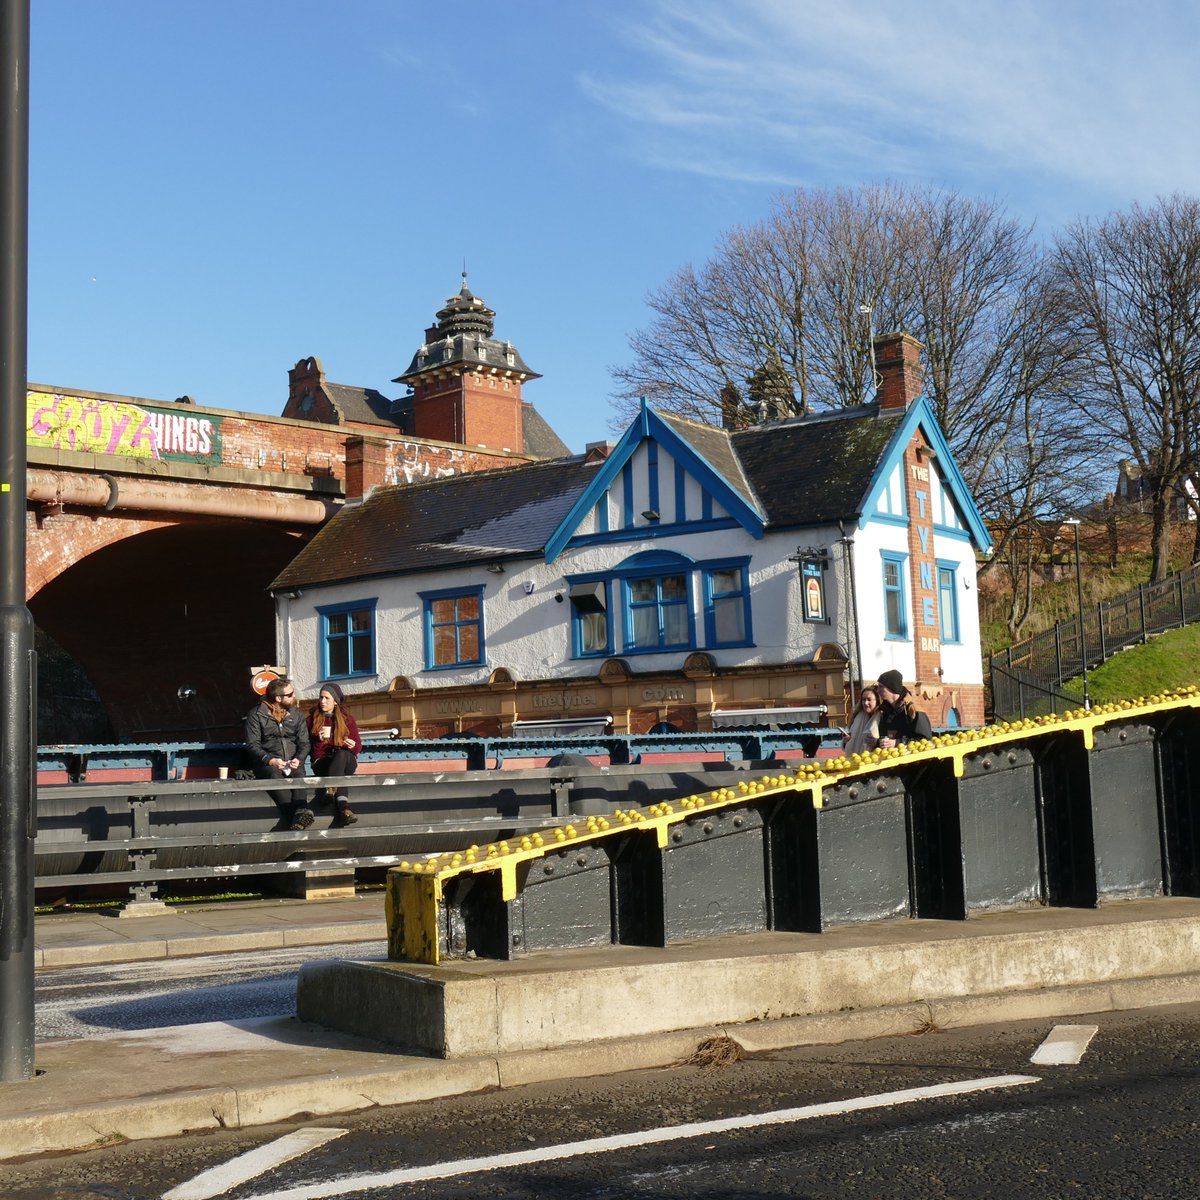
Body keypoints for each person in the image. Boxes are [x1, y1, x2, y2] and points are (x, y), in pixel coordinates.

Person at [244, 676, 313, 829]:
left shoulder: (296, 715)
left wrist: (299, 759)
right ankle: (298, 816)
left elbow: (304, 743)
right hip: (268, 763)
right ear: (278, 698)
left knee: (299, 773)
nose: (294, 696)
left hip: (291, 760)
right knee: (274, 775)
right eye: (290, 695)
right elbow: (252, 744)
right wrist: (270, 760)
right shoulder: (256, 715)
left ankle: (299, 814)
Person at [307, 682, 360, 826]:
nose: (322, 701)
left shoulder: (347, 719)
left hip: (345, 760)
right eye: (321, 697)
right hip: (322, 762)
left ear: (335, 701)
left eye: (326, 698)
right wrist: (318, 740)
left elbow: (357, 746)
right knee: (339, 770)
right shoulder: (312, 719)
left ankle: (330, 790)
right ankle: (344, 807)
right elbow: (313, 752)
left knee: (341, 754)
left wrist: (352, 746)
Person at [876, 669, 933, 748]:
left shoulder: (913, 710)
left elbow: (925, 740)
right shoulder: (885, 711)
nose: (877, 690)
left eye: (881, 687)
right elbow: (885, 739)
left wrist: (898, 742)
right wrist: (876, 743)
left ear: (892, 688)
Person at [843, 684, 882, 754]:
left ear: (877, 700)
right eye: (864, 699)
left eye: (869, 699)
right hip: (855, 759)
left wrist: (877, 743)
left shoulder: (882, 718)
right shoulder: (857, 716)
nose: (866, 703)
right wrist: (847, 740)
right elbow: (849, 743)